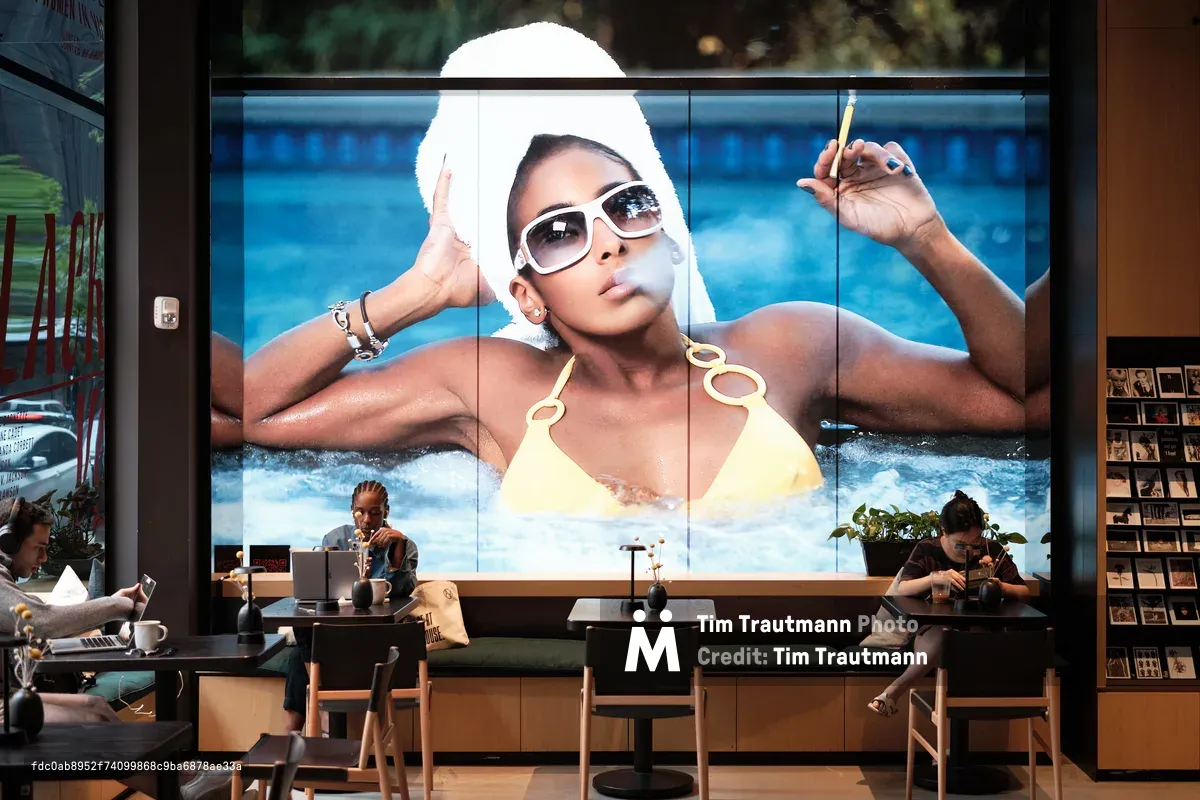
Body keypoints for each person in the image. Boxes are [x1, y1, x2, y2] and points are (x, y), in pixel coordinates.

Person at [241, 30, 1041, 517]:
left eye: (625, 206)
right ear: (523, 290)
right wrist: (413, 295)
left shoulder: (791, 347)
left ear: (671, 232)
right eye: (558, 233)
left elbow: (1025, 391)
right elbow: (250, 410)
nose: (607, 244)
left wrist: (926, 237)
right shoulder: (491, 384)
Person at [0, 497, 241, 800]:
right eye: (39, 547)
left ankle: (183, 778)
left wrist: (109, 603)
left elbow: (38, 624)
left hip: (8, 698)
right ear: (8, 542)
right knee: (89, 724)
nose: (45, 557)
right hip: (2, 708)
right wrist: (116, 606)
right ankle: (183, 790)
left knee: (96, 706)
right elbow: (43, 621)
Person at [866, 491, 1031, 717]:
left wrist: (999, 585)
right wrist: (934, 578)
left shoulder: (991, 550)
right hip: (933, 633)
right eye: (960, 544)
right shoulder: (928, 549)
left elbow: (1023, 592)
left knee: (959, 638)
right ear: (944, 532)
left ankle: (898, 697)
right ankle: (895, 692)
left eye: (975, 542)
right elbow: (903, 588)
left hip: (981, 633)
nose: (969, 550)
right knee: (944, 634)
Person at [283, 480, 418, 733]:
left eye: (375, 513)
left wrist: (398, 545)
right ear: (351, 510)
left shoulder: (404, 545)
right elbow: (320, 588)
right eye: (360, 512)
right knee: (300, 641)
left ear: (386, 511)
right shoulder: (335, 539)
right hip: (338, 632)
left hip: (376, 634)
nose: (367, 520)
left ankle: (315, 710)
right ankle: (300, 729)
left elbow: (402, 591)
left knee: (303, 657)